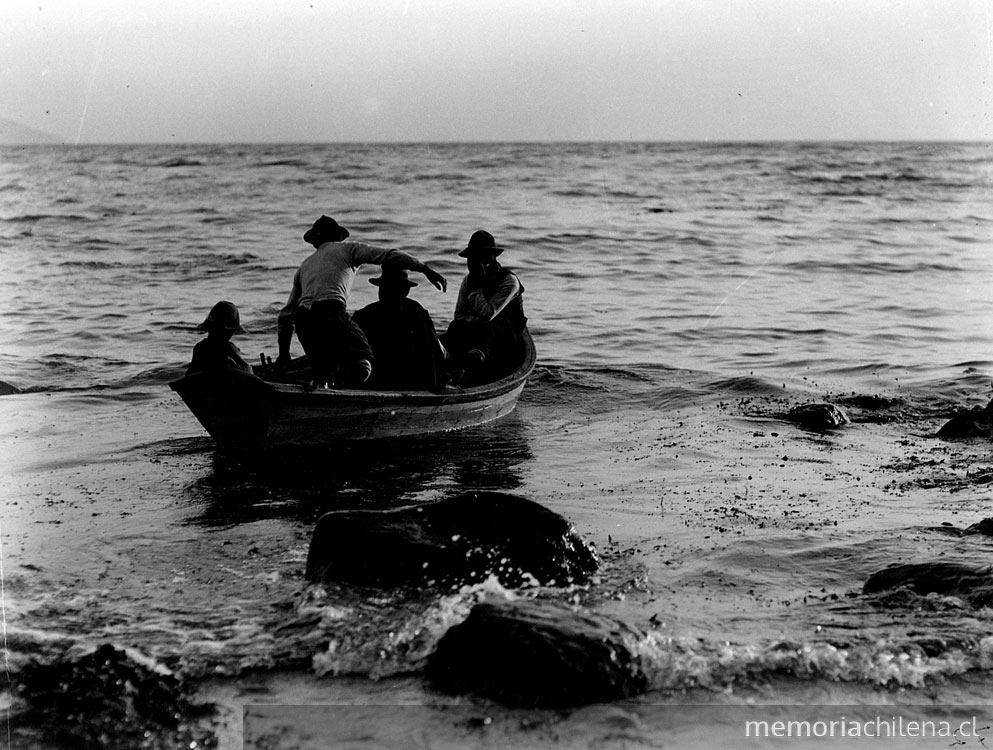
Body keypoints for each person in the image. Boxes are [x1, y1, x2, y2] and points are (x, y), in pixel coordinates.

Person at [276, 215, 447, 387]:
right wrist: (425, 269)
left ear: (315, 242)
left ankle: (326, 385)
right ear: (339, 238)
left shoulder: (305, 265)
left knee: (323, 369)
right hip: (330, 313)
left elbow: (286, 316)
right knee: (364, 362)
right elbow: (388, 255)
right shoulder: (347, 249)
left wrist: (284, 355)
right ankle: (342, 389)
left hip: (304, 323)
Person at [442, 229, 527, 383]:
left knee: (485, 330)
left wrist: (476, 287)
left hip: (505, 338)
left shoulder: (509, 281)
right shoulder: (469, 280)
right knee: (455, 328)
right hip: (477, 332)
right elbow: (459, 315)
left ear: (492, 258)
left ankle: (472, 366)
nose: (472, 263)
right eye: (471, 258)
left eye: (479, 257)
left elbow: (487, 314)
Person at [352, 267, 448, 390]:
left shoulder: (364, 314)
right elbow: (434, 352)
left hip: (374, 381)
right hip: (410, 383)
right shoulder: (416, 311)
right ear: (405, 290)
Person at [186, 300, 254, 376]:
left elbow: (190, 374)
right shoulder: (230, 349)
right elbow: (248, 371)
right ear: (229, 332)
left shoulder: (199, 347)